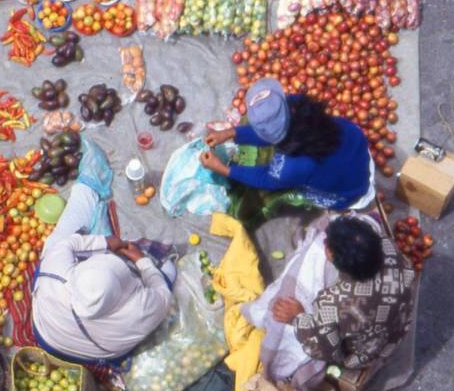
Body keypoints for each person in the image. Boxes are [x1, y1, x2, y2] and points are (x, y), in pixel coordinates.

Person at [31, 182, 176, 365]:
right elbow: (163, 294)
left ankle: (86, 190)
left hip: (46, 334)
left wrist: (104, 242)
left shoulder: (56, 271)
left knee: (60, 236)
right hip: (93, 354)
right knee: (168, 269)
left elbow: (67, 244)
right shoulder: (140, 309)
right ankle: (88, 191)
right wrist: (142, 261)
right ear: (126, 286)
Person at [269, 215, 416, 388]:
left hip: (366, 352)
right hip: (397, 329)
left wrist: (297, 317)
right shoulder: (389, 247)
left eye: (327, 244)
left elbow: (326, 348)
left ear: (331, 255)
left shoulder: (331, 303)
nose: (324, 243)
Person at [200, 77, 375, 212]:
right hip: (357, 151)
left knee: (291, 188)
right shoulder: (297, 105)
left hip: (347, 193)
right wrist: (230, 133)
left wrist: (223, 169)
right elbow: (276, 128)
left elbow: (265, 178)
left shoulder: (291, 166)